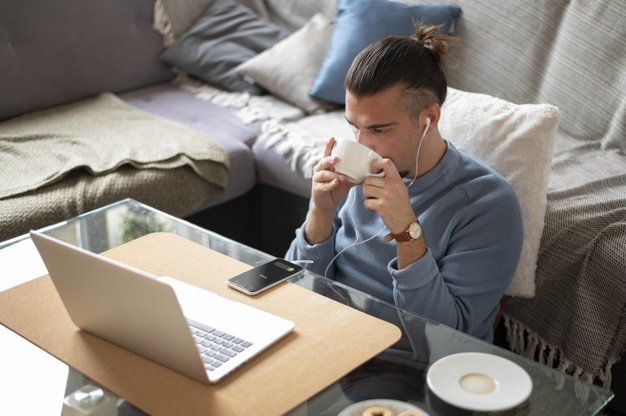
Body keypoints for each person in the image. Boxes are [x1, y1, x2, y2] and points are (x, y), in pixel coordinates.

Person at [285, 24, 523, 343]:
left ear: (429, 118)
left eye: (379, 130)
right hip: (328, 335)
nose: (363, 144)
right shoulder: (354, 174)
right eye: (353, 126)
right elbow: (294, 289)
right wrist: (320, 213)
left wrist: (406, 231)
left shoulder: (488, 203)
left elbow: (447, 338)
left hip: (401, 365)